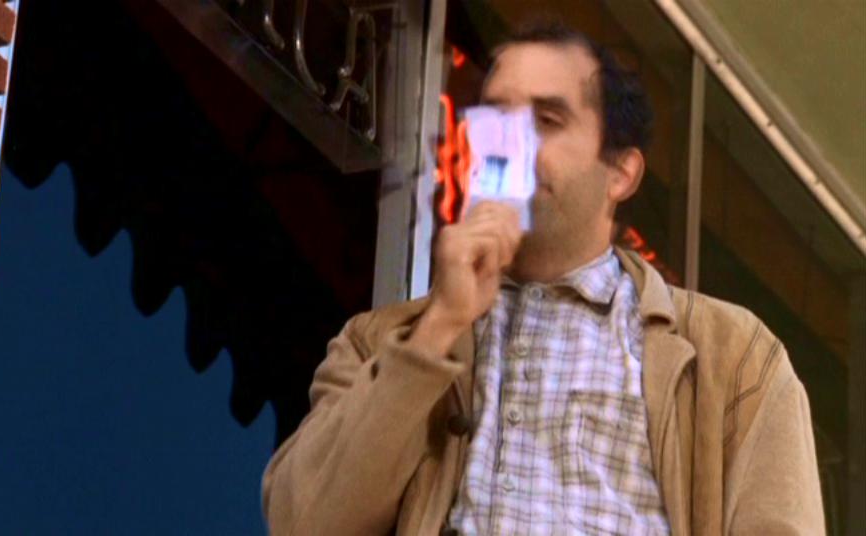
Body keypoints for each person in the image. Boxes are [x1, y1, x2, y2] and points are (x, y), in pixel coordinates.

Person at [262, 22, 825, 535]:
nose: (514, 144)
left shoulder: (736, 358)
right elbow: (303, 523)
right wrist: (440, 327)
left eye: (547, 121)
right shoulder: (377, 342)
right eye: (497, 119)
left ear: (621, 172)